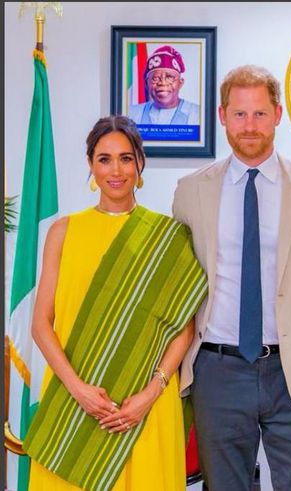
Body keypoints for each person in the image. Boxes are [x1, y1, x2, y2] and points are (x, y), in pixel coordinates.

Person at [172, 65, 291, 490]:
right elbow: (177, 288)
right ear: (223, 116)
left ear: (279, 114)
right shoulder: (190, 191)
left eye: (260, 114)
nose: (250, 126)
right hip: (217, 369)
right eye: (240, 114)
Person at [24, 115, 207, 490]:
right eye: (104, 159)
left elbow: (183, 329)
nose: (116, 170)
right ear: (91, 165)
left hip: (144, 408)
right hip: (75, 403)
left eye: (126, 158)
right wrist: (80, 391)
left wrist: (150, 393)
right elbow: (41, 324)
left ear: (140, 164)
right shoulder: (64, 232)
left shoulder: (168, 238)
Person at [128, 45, 200, 125]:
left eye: (169, 77)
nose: (162, 82)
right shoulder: (131, 114)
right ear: (146, 84)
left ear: (180, 83)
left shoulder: (198, 114)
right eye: (155, 78)